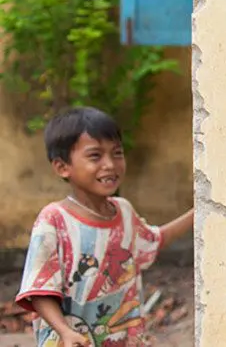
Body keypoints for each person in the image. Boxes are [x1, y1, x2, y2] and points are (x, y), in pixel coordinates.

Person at [15, 107, 195, 347]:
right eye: (95, 156)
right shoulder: (54, 220)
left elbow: (155, 239)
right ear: (62, 167)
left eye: (117, 153)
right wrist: (65, 332)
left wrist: (199, 212)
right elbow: (39, 290)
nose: (110, 164)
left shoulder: (124, 211)